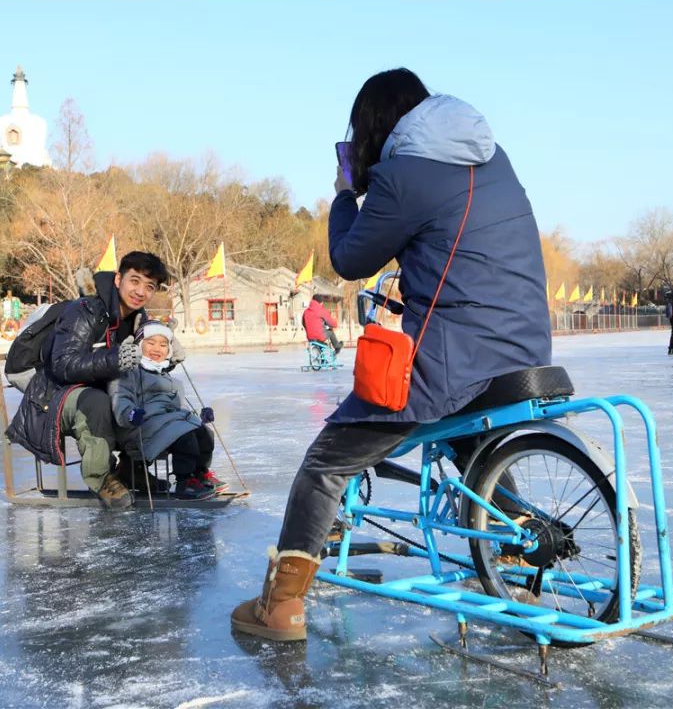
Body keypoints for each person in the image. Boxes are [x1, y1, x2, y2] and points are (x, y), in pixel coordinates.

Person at [230, 68, 552, 641]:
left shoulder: (403, 176)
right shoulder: (492, 157)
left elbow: (351, 261)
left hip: (454, 360)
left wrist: (344, 193)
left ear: (373, 124)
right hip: (524, 349)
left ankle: (280, 607)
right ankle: (517, 552)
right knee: (468, 440)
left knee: (326, 463)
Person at [6, 251, 168, 509]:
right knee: (98, 402)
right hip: (53, 394)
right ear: (118, 280)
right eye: (134, 281)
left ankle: (132, 467)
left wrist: (165, 360)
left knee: (148, 395)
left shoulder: (138, 319)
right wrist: (114, 360)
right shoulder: (86, 310)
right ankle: (101, 478)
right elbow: (63, 365)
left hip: (94, 391)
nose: (140, 291)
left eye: (149, 286)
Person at [109, 320, 226, 500]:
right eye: (151, 342)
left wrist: (198, 418)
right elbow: (120, 397)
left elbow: (179, 409)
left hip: (165, 425)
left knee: (203, 434)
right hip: (141, 427)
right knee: (185, 437)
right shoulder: (129, 371)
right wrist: (130, 414)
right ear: (139, 344)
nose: (157, 348)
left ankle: (200, 474)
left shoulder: (163, 373)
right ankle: (185, 482)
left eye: (163, 345)